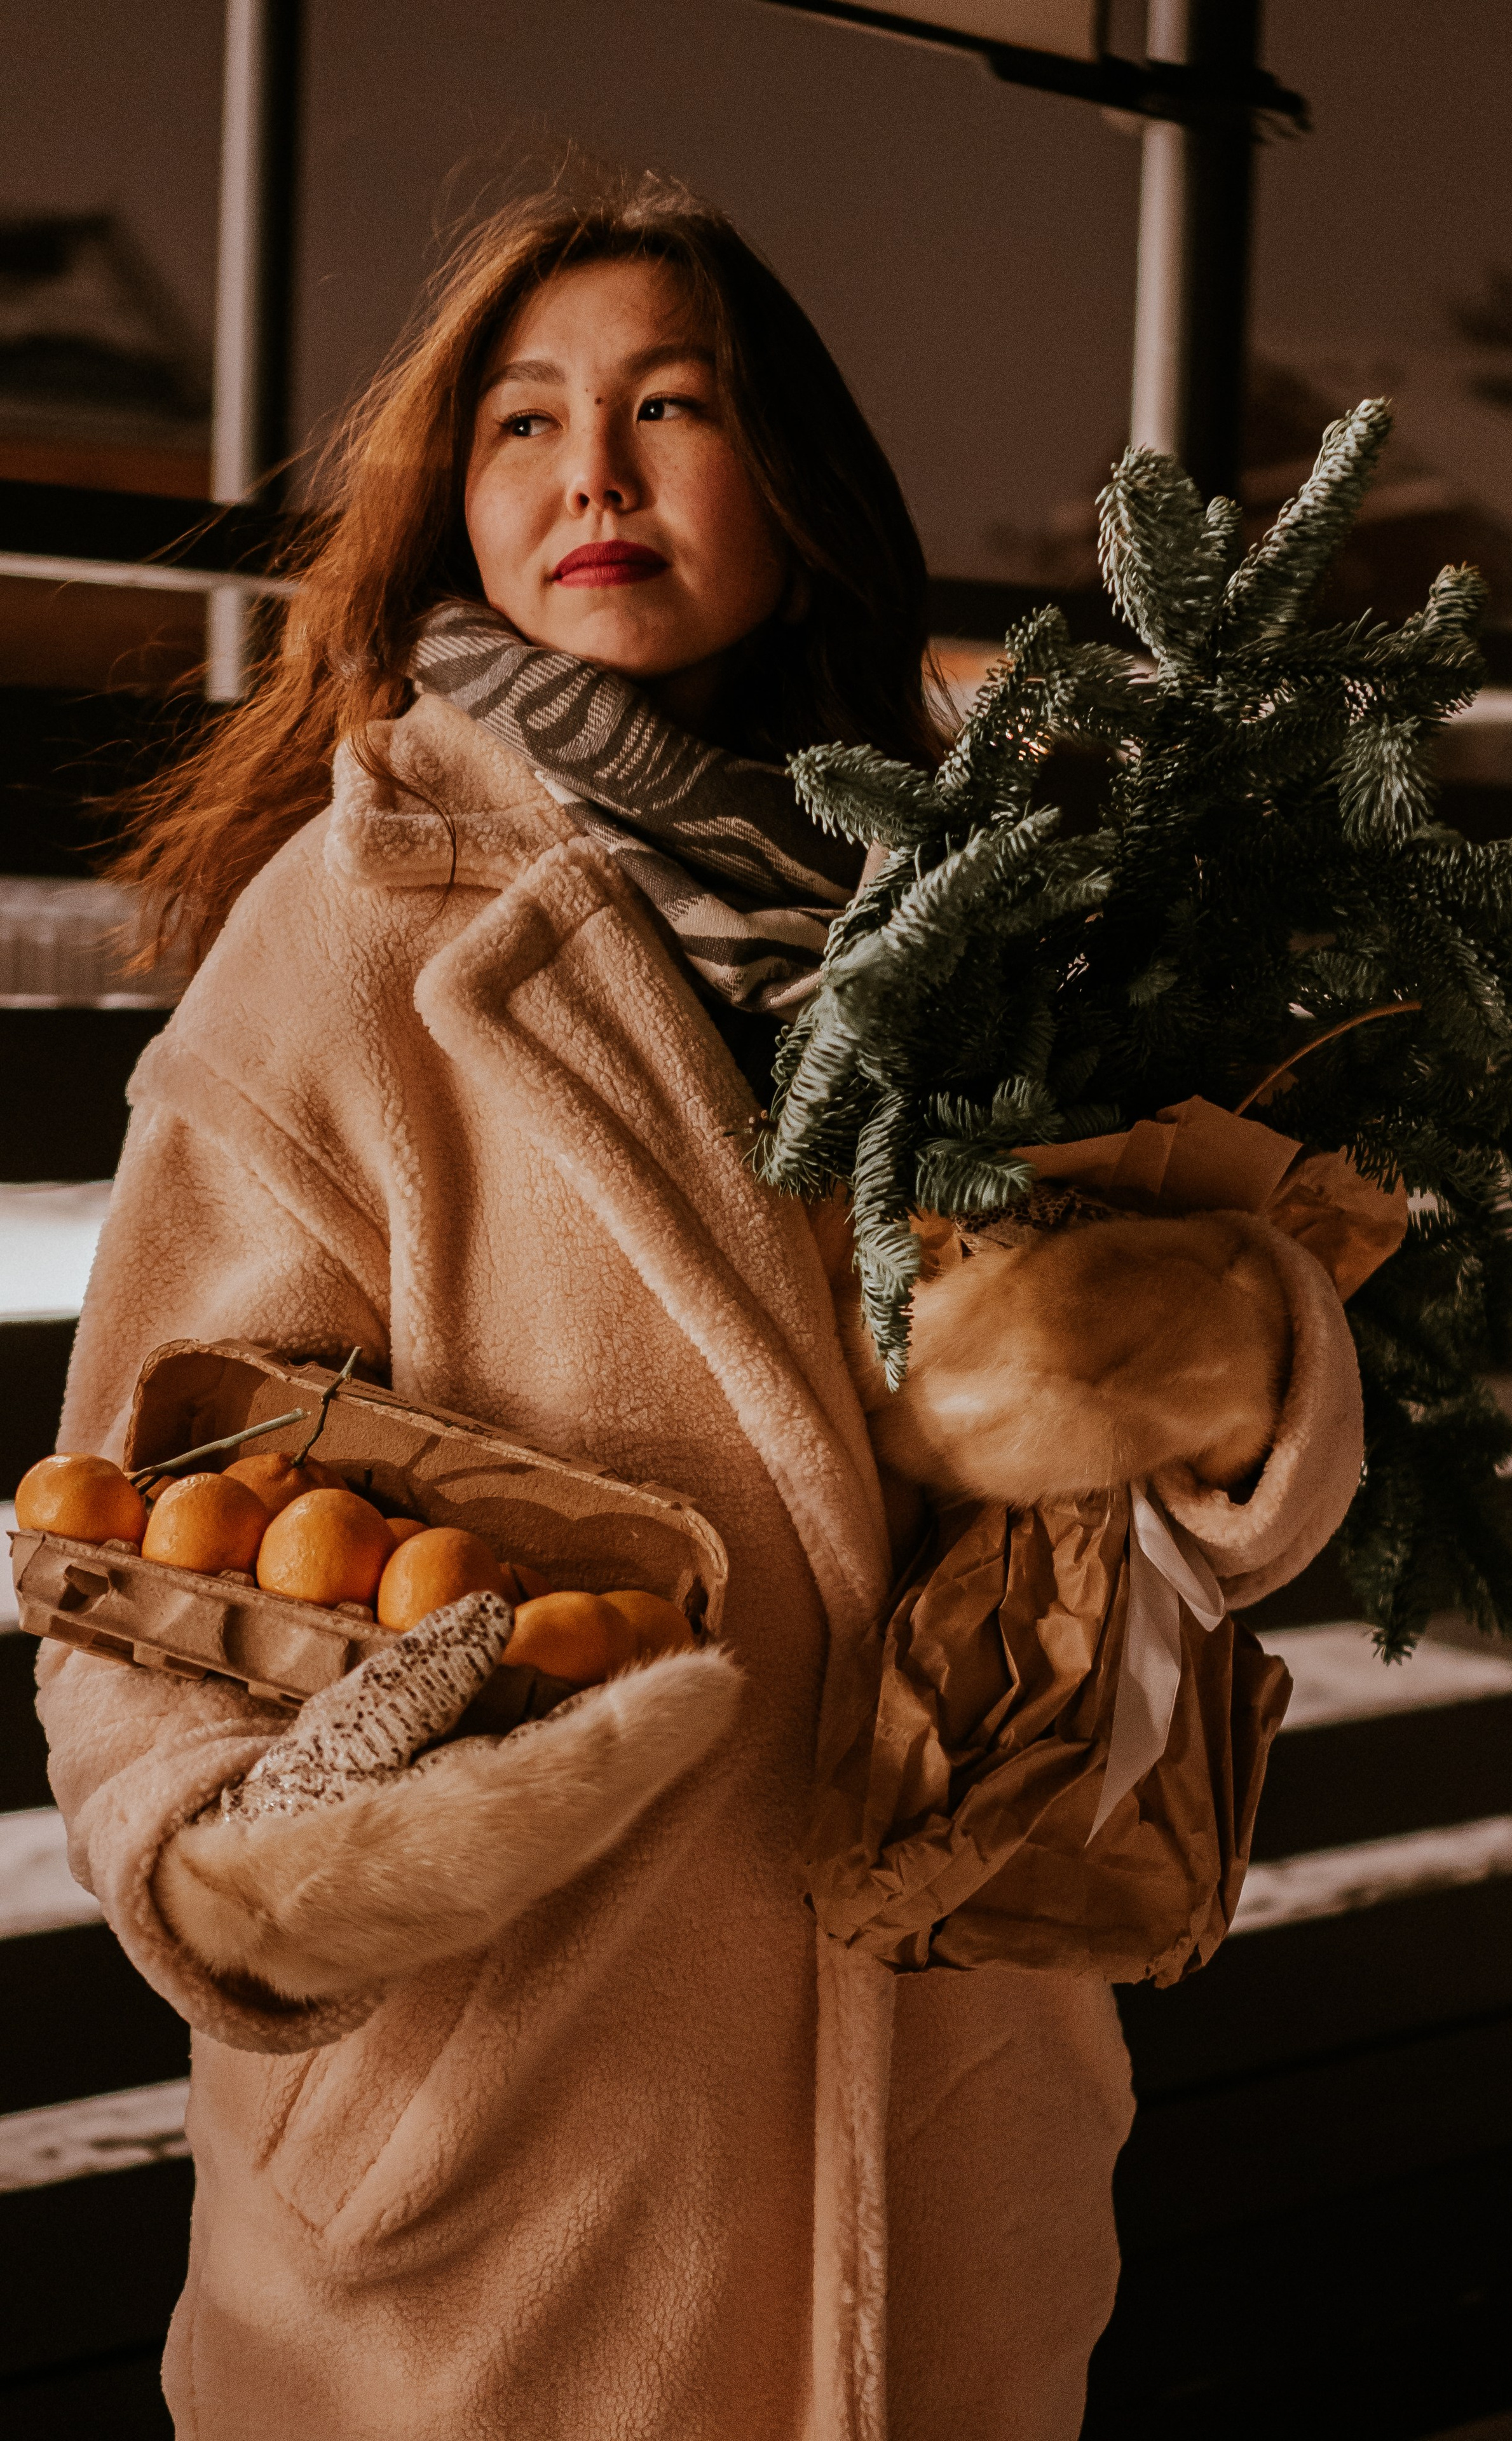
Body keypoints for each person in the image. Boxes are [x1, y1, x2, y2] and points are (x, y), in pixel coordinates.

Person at [40, 179, 1351, 2441]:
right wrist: (267, 1871)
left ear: (800, 484)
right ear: (455, 504)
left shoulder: (1001, 910)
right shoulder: (347, 944)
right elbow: (141, 1549)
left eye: (673, 407)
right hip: (505, 2161)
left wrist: (1230, 1372)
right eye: (525, 425)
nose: (596, 479)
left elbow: (1199, 1516)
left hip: (943, 2129)